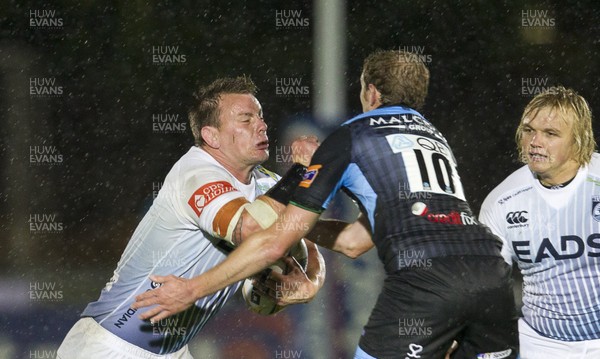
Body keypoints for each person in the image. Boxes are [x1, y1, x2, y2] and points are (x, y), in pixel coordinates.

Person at [134, 50, 519, 358]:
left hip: (427, 284)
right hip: (493, 278)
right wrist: (300, 218)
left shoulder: (350, 135)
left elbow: (273, 244)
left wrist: (193, 289)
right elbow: (355, 241)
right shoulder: (435, 138)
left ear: (370, 93)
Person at [57, 76, 326, 358]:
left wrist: (311, 283)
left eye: (260, 116)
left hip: (173, 351)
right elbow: (251, 227)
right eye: (246, 119)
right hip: (112, 346)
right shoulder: (197, 174)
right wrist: (300, 171)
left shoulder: (266, 186)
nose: (262, 125)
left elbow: (313, 235)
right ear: (211, 136)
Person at [479, 86, 600, 358]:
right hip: (541, 344)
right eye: (528, 130)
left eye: (550, 134)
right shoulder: (502, 201)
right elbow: (485, 288)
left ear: (578, 140)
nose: (535, 141)